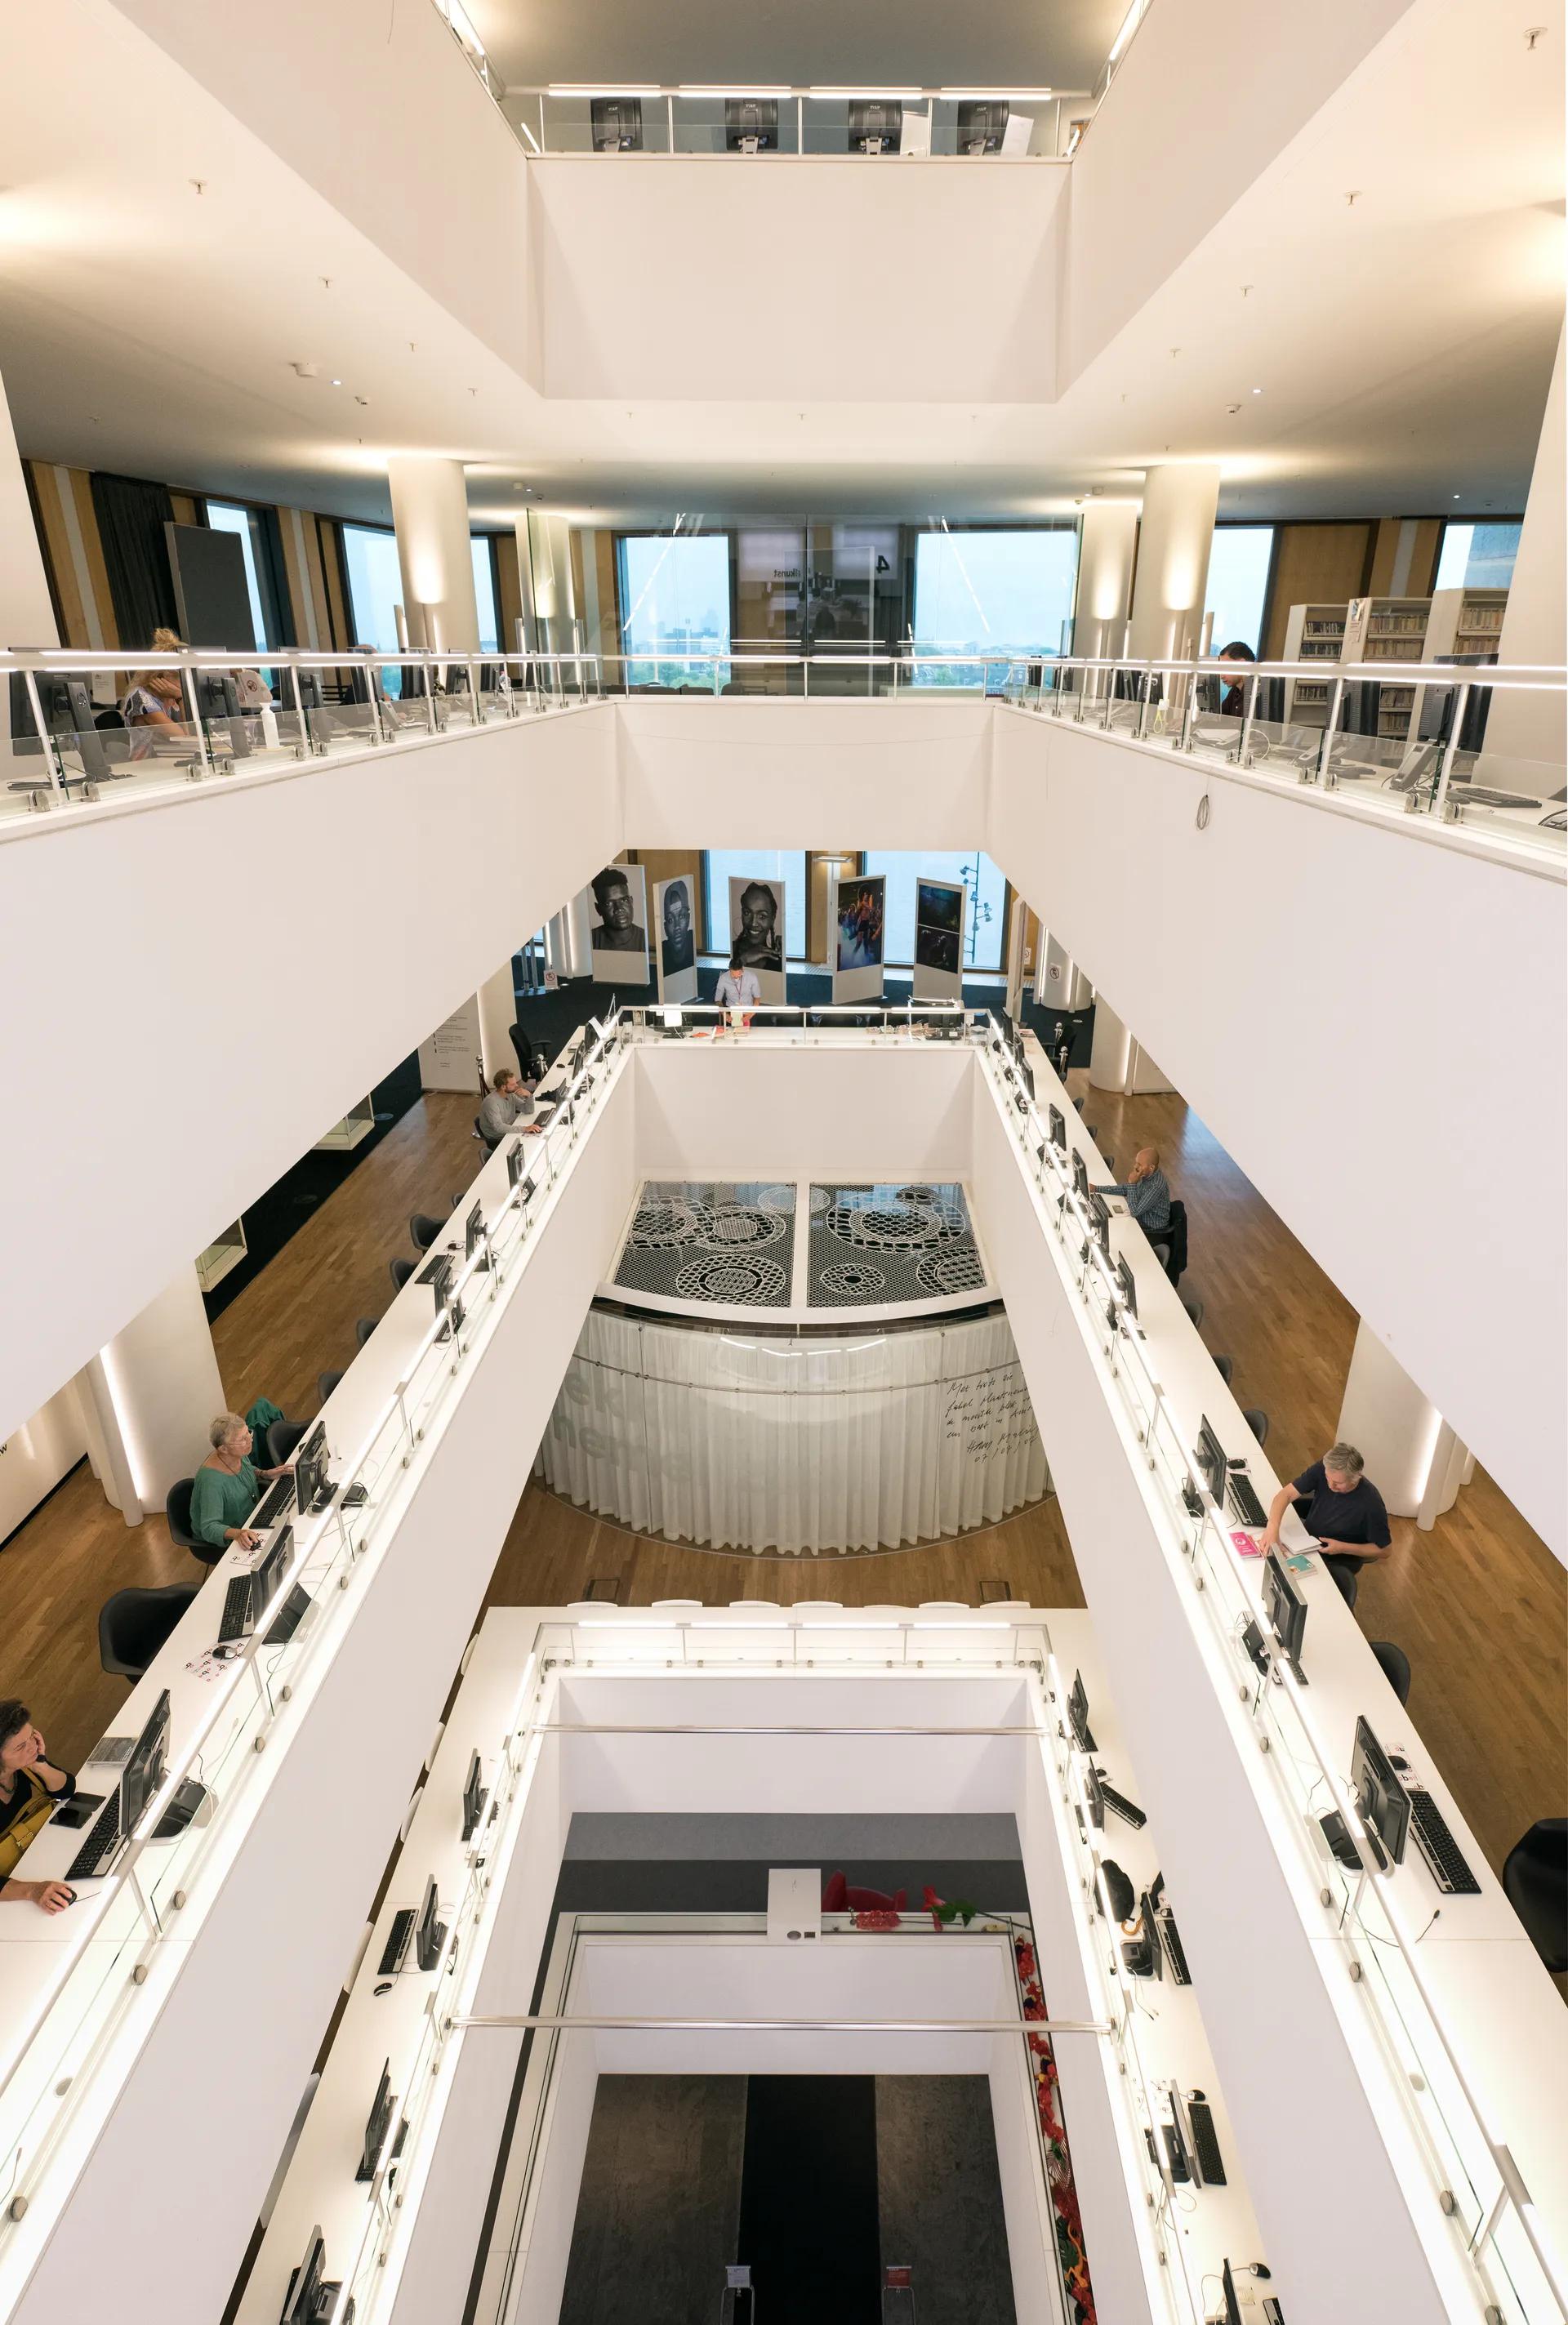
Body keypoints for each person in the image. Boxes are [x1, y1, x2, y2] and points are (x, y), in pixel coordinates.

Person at [1261, 1442, 1392, 1568]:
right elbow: (1286, 1494)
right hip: (1306, 1540)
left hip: (1336, 1558)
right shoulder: (1323, 1469)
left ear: (1355, 1477)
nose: (1330, 1485)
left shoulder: (1371, 1504)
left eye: (1338, 1483)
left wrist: (1343, 1548)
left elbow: (1385, 1550)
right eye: (1327, 1477)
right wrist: (1272, 1528)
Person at [0, 1701, 76, 1913]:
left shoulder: (26, 1765)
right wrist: (32, 1891)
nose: (32, 1746)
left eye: (32, 1736)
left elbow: (65, 1790)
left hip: (45, 1854)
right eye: (20, 1747)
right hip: (14, 1891)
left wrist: (39, 1764)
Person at [189, 1412, 295, 1557]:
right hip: (232, 1538)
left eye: (248, 1434)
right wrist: (238, 1534)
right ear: (223, 1448)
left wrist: (265, 1473)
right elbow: (209, 1528)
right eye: (242, 1439)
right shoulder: (211, 1482)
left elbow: (245, 1470)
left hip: (254, 1519)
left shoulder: (236, 1454)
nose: (250, 1440)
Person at [121, 626, 190, 731]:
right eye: (182, 678)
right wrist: (181, 698)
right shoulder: (141, 698)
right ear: (167, 675)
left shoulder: (171, 697)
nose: (187, 683)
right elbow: (187, 738)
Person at [1098, 1146, 1171, 1237]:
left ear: (1151, 1168)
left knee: (1112, 1227)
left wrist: (1132, 1184)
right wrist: (1097, 1188)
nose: (1135, 1166)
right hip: (1141, 1215)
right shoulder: (1146, 1174)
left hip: (1151, 1227)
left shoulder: (1156, 1186)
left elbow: (1135, 1212)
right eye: (1136, 1162)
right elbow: (1126, 1189)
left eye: (1140, 1164)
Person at [590, 866, 646, 955]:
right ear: (598, 909)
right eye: (609, 903)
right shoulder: (589, 942)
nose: (619, 909)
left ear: (632, 901)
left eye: (624, 900)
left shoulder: (646, 939)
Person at [730, 880, 782, 974]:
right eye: (747, 913)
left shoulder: (777, 960)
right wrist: (743, 960)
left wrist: (788, 950)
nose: (753, 923)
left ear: (772, 919)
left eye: (762, 916)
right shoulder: (731, 950)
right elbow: (721, 987)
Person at [479, 1066, 535, 1150]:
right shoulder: (491, 1103)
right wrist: (525, 1129)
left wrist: (529, 1096)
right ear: (503, 1087)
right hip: (498, 1138)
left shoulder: (510, 1095)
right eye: (512, 1084)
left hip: (508, 1129)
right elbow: (499, 1128)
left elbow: (528, 1110)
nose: (517, 1085)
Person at [661, 880, 695, 979]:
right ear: (665, 927)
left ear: (688, 919)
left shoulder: (693, 944)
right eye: (671, 920)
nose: (677, 927)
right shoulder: (662, 953)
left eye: (681, 916)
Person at [1217, 639, 1256, 717]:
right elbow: (1220, 716)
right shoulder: (1235, 690)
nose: (1222, 676)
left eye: (1225, 669)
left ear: (1242, 664)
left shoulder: (1256, 692)